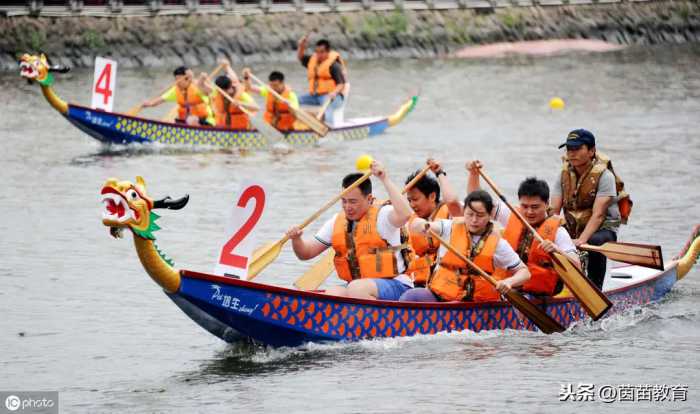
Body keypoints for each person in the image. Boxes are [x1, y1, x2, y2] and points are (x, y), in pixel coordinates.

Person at [286, 160, 414, 300]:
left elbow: (406, 214)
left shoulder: (384, 215)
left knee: (356, 288)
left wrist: (384, 178)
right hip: (359, 287)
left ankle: (382, 320)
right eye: (344, 201)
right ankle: (349, 320)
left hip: (397, 285)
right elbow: (306, 253)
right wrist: (296, 239)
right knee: (333, 293)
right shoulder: (336, 221)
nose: (347, 207)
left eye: (353, 201)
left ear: (369, 199)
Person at [466, 161, 581, 296]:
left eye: (535, 207)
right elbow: (476, 201)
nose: (529, 212)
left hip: (536, 295)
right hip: (505, 285)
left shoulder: (559, 232)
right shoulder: (512, 214)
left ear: (546, 203)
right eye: (525, 206)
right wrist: (473, 174)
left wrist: (557, 250)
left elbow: (576, 266)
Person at [400, 190, 530, 302]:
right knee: (412, 296)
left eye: (480, 215)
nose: (474, 220)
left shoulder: (498, 244)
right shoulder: (448, 227)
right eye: (470, 214)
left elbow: (524, 272)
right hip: (441, 294)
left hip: (474, 303)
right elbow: (415, 224)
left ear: (489, 216)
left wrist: (509, 282)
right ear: (464, 212)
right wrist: (423, 225)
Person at [550, 129, 631, 289]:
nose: (572, 153)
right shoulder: (563, 175)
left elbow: (599, 215)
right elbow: (553, 212)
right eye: (569, 149)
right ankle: (554, 289)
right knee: (549, 239)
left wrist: (581, 240)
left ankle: (595, 290)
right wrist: (548, 234)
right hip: (574, 228)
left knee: (594, 241)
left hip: (602, 230)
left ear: (591, 151)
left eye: (577, 148)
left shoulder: (605, 176)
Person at [402, 159, 463, 290]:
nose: (412, 205)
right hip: (420, 281)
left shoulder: (451, 214)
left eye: (415, 199)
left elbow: (452, 200)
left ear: (432, 196)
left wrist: (439, 172)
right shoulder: (410, 220)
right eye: (409, 200)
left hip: (450, 283)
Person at [297, 36, 347, 127]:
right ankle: (295, 125)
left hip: (333, 97)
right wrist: (301, 46)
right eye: (317, 52)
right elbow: (300, 57)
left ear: (328, 52)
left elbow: (341, 84)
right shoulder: (313, 60)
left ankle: (329, 130)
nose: (319, 55)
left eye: (322, 52)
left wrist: (334, 92)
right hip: (315, 96)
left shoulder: (334, 65)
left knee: (327, 109)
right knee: (295, 100)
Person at [142, 66, 214, 126]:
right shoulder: (176, 90)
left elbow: (210, 91)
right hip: (184, 121)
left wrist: (201, 81)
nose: (177, 83)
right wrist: (148, 104)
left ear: (187, 79)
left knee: (192, 120)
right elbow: (160, 100)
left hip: (206, 121)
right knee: (173, 120)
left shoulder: (198, 87)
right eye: (176, 79)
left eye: (179, 80)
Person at [200, 60, 258, 130]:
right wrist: (202, 78)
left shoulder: (241, 95)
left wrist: (241, 104)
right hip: (221, 129)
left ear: (231, 86)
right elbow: (200, 86)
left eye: (227, 90)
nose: (225, 93)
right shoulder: (217, 92)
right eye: (222, 91)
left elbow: (256, 108)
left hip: (240, 130)